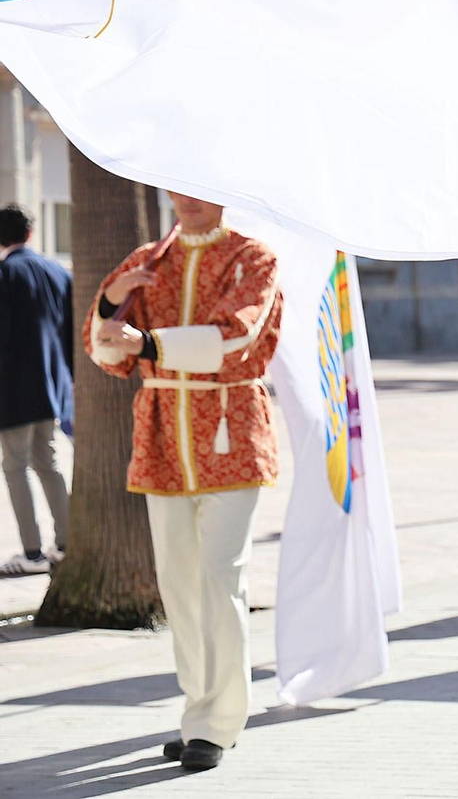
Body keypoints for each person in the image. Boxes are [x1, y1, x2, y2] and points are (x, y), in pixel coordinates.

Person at [85, 193, 282, 773]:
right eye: (178, 189)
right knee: (178, 583)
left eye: (199, 189)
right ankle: (200, 711)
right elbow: (106, 354)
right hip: (163, 438)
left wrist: (148, 343)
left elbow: (237, 337)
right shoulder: (150, 259)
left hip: (229, 434)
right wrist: (110, 302)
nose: (187, 200)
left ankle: (218, 725)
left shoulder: (254, 258)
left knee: (222, 578)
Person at [0, 203, 73, 577]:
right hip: (52, 389)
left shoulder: (6, 274)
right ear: (29, 232)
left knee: (15, 467)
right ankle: (65, 543)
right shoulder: (57, 271)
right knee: (47, 463)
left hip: (13, 393)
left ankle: (31, 552)